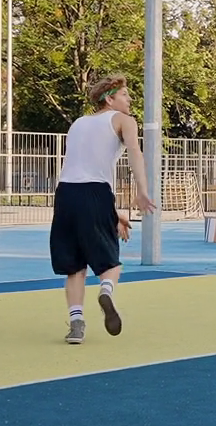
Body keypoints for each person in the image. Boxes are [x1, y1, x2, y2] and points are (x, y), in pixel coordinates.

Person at [51, 74, 157, 343]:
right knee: (110, 261)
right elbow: (134, 153)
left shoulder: (78, 123)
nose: (130, 99)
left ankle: (76, 325)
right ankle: (106, 291)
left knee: (75, 267)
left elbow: (82, 168)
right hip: (96, 192)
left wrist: (114, 213)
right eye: (124, 95)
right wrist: (142, 191)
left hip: (65, 195)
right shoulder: (124, 120)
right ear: (109, 100)